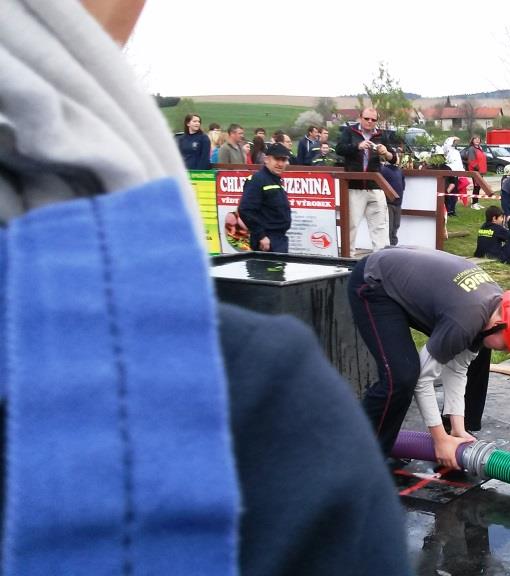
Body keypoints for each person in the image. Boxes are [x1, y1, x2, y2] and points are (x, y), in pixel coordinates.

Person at [0, 1, 409, 574]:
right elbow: (250, 212)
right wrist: (260, 237)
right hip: (265, 250)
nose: (282, 166)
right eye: (278, 160)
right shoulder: (260, 399)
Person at [348, 247, 510, 469]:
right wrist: (440, 440)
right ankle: (360, 459)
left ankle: (383, 444)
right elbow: (423, 379)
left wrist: (458, 429)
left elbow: (458, 369)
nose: (506, 351)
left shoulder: (494, 308)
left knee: (418, 371)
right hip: (374, 282)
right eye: (507, 346)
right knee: (401, 377)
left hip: (405, 281)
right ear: (498, 325)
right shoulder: (466, 320)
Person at [337, 107, 394, 252]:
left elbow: (393, 158)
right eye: (366, 118)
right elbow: (339, 149)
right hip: (354, 187)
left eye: (373, 120)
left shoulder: (381, 135)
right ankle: (348, 257)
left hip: (375, 185)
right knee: (351, 225)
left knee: (380, 226)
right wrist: (357, 146)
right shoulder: (349, 131)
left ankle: (381, 258)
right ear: (360, 117)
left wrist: (386, 152)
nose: (369, 122)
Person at [239, 142, 292, 253]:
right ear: (266, 159)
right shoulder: (258, 180)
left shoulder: (274, 180)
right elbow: (246, 210)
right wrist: (261, 236)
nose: (280, 163)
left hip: (278, 239)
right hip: (266, 242)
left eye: (283, 160)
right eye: (277, 159)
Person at [380, 159, 405, 245]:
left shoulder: (399, 171)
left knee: (396, 225)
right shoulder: (383, 170)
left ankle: (393, 244)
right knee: (389, 226)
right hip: (388, 203)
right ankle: (388, 245)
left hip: (398, 203)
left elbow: (403, 185)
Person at [462, 135, 488, 210]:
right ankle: (474, 204)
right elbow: (471, 161)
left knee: (478, 187)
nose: (477, 140)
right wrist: (477, 168)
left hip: (480, 171)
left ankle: (476, 202)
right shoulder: (472, 149)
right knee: (476, 187)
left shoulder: (480, 148)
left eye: (478, 139)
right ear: (472, 140)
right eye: (475, 139)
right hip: (475, 171)